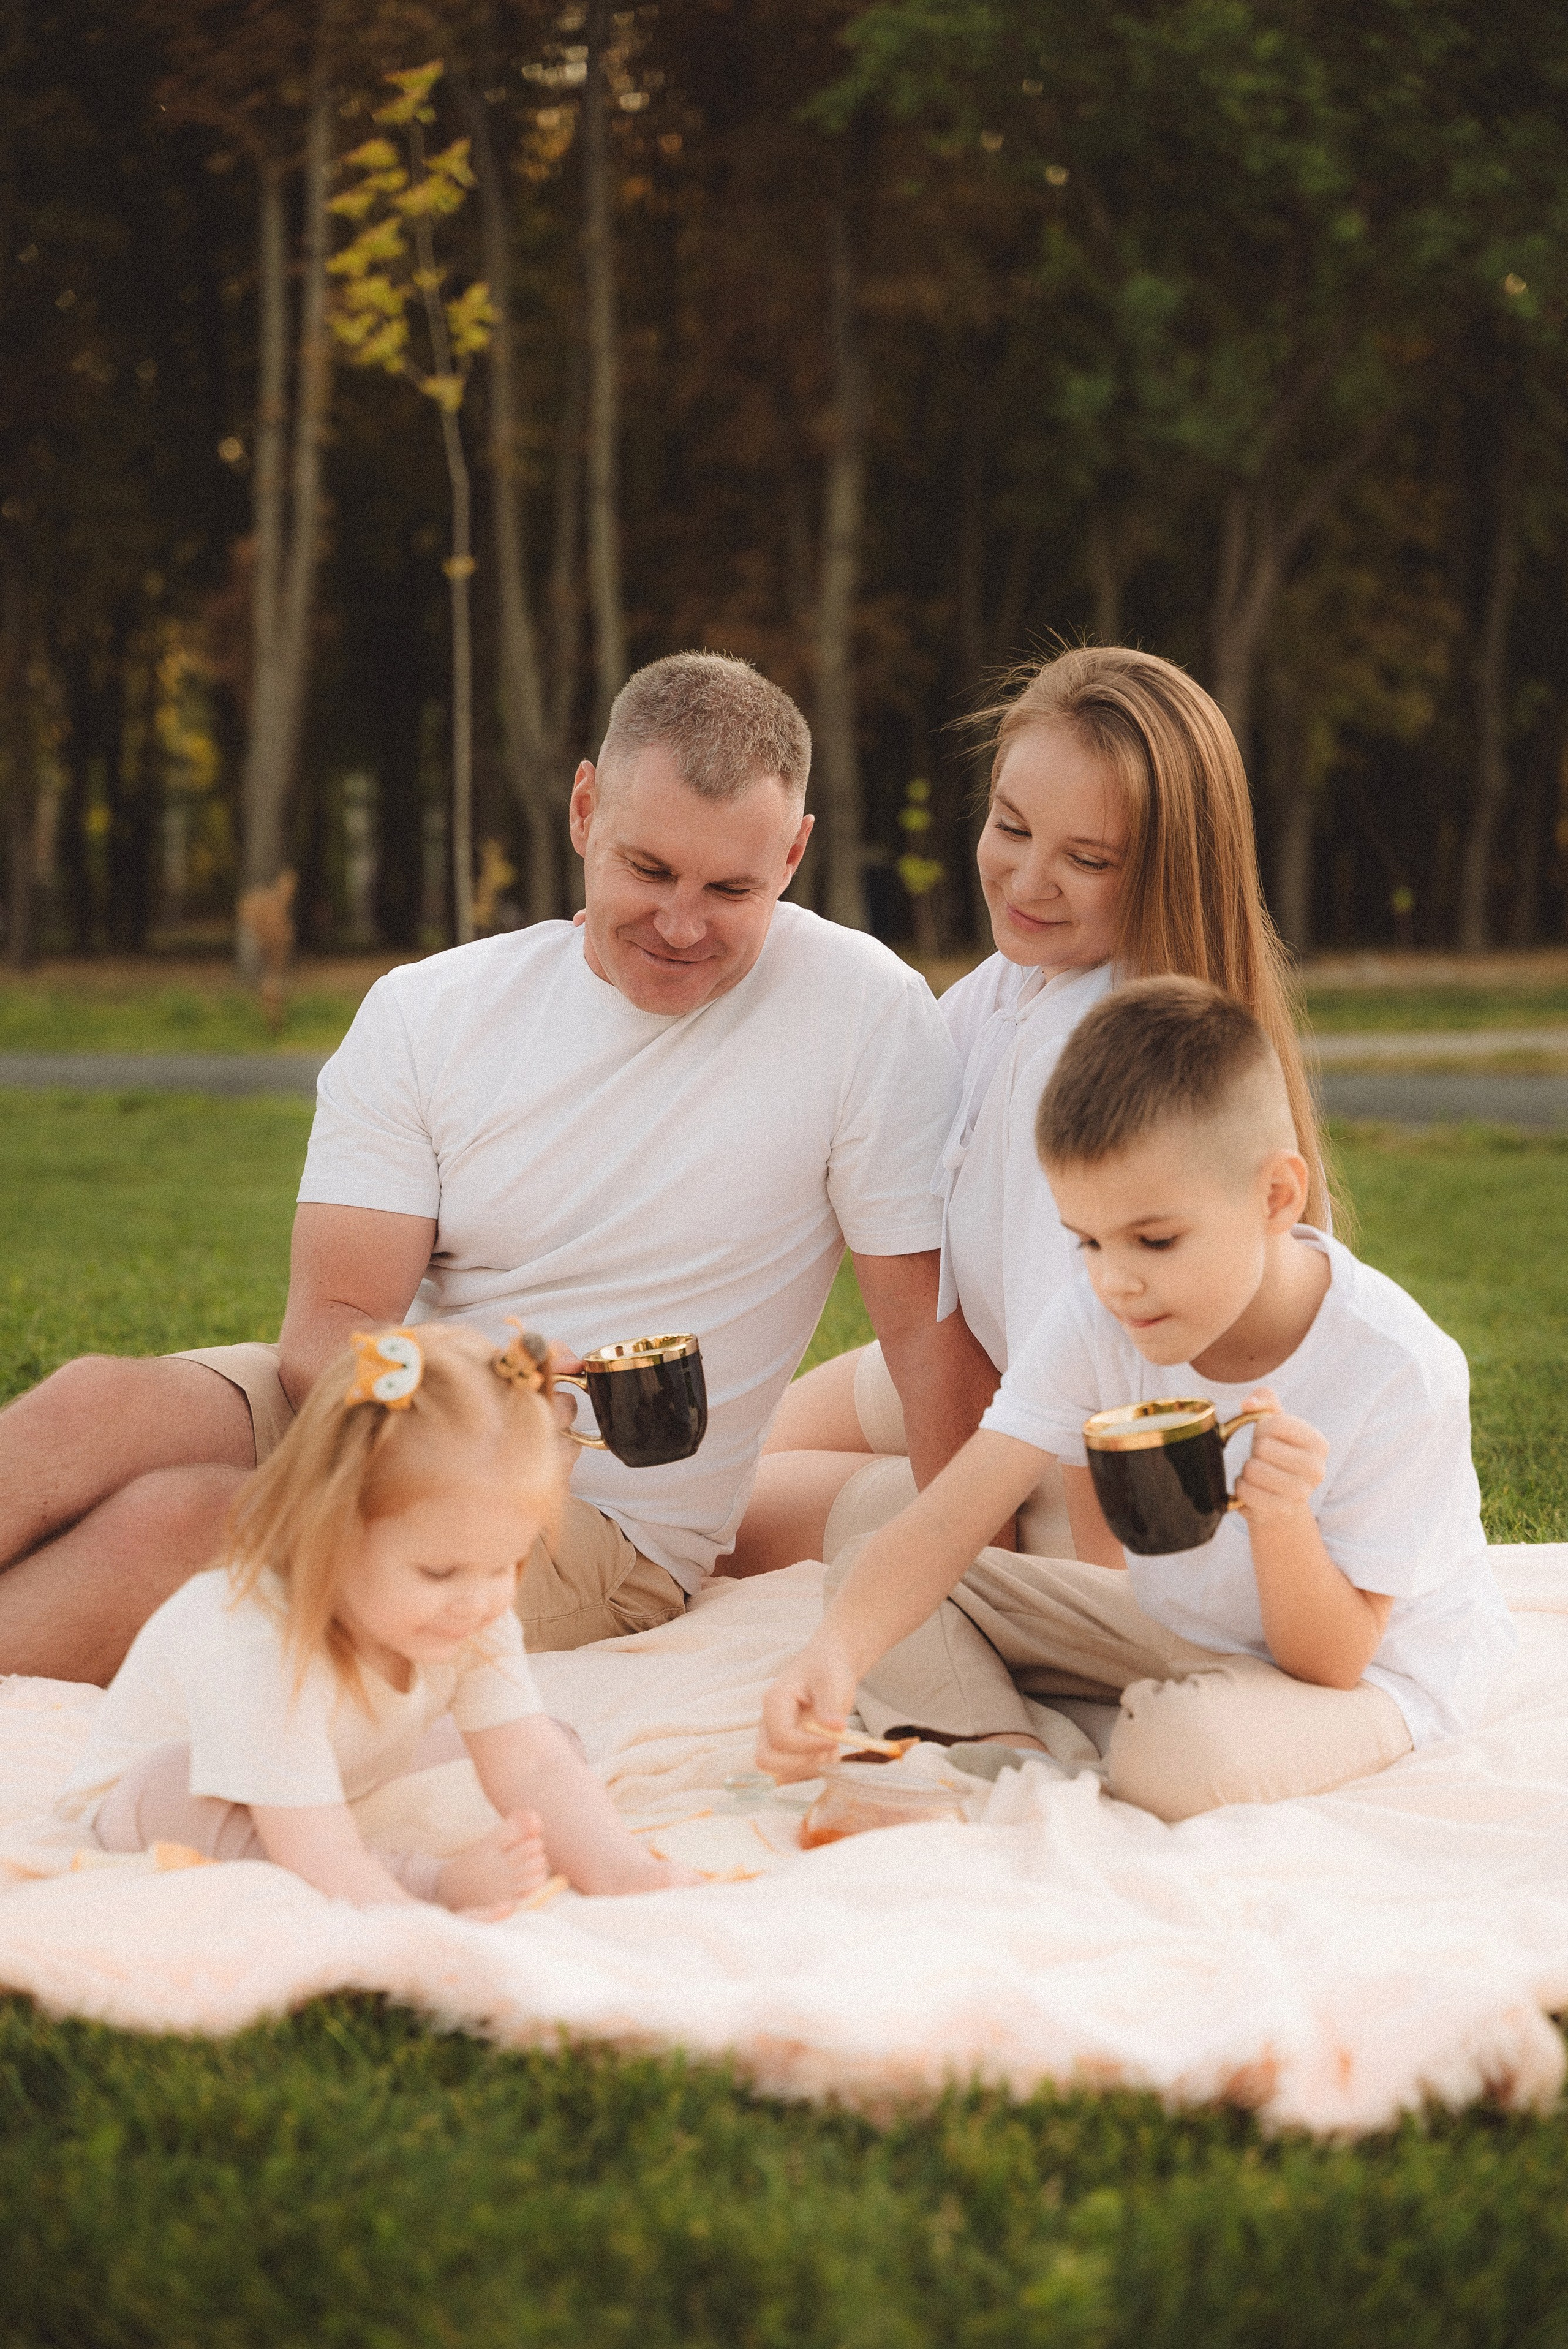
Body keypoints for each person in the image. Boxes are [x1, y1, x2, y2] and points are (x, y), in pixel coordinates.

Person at [0, 652, 993, 1683]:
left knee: (182, 1527)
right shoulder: (433, 1012)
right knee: (88, 1409)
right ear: (582, 808)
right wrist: (460, 1386)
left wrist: (983, 1594)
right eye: (648, 870)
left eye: (731, 887)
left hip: (604, 1523)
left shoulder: (863, 1013)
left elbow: (924, 1343)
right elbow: (329, 1329)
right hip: (387, 1409)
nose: (683, 924)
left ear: (793, 856)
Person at [758, 978, 1514, 1823]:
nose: (1115, 1280)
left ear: (1275, 1196)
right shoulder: (1102, 1311)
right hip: (1182, 1634)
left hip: (1364, 1676)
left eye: (1154, 1239)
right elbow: (950, 1517)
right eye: (1087, 1239)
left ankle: (1082, 1731)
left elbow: (1333, 1658)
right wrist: (832, 1658)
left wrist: (1282, 1520)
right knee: (872, 1572)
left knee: (1177, 1755)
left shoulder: (1397, 1370)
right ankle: (1008, 1755)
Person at [734, 646, 1331, 1579]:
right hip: (1003, 1366)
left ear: (1165, 872)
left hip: (1115, 1472)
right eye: (1011, 826)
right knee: (740, 1447)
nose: (1027, 880)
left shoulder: (1097, 1064)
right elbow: (871, 1072)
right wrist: (662, 942)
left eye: (1086, 858)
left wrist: (1069, 1606)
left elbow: (1110, 1398)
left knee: (715, 1517)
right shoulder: (1022, 979)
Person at [58, 1322, 694, 1904]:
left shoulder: (464, 1601)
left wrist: (624, 1870)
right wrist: (433, 1894)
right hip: (168, 1793)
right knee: (174, 1791)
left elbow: (529, 1762)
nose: (477, 1599)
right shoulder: (258, 1645)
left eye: (504, 1566)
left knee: (547, 1746)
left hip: (327, 1762)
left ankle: (327, 1800)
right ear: (330, 1533)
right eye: (438, 1572)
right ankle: (422, 1878)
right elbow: (317, 1853)